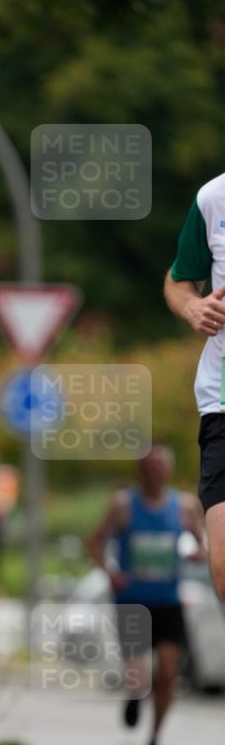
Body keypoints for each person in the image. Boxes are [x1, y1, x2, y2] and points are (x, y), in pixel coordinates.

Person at [88, 445, 205, 745]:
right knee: (139, 675)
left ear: (169, 471)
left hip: (168, 601)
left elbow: (201, 543)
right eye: (149, 468)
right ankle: (135, 694)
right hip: (133, 602)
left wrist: (197, 553)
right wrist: (110, 573)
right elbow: (95, 543)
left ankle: (154, 737)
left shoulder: (183, 506)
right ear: (140, 472)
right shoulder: (123, 505)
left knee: (167, 674)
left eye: (159, 467)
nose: (155, 473)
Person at [163, 173, 225, 603]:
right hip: (222, 402)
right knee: (222, 569)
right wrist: (192, 308)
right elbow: (179, 280)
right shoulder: (214, 197)